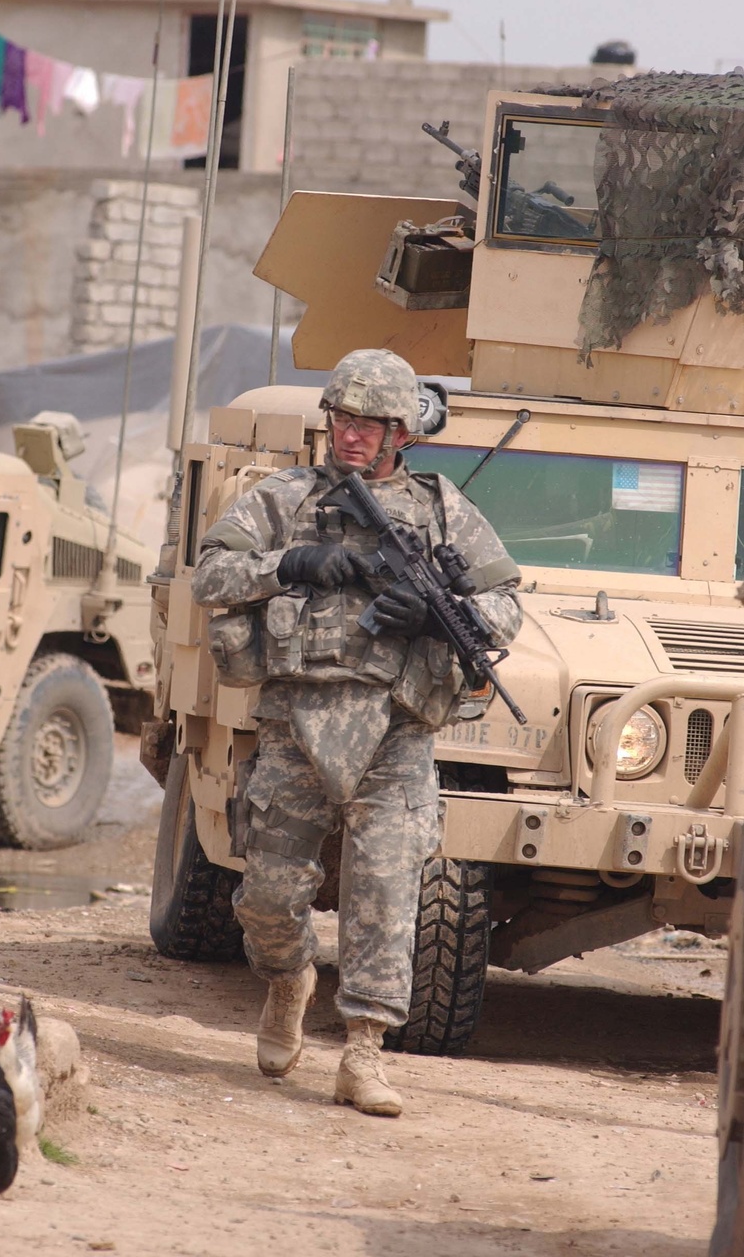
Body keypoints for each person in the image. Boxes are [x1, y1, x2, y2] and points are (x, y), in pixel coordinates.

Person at [190, 349, 522, 1117]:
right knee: (269, 895)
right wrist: (293, 562)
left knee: (386, 897)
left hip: (397, 733)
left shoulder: (440, 510)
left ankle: (364, 1052)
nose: (352, 434)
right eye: (343, 418)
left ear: (400, 431)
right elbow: (210, 575)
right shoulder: (285, 497)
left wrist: (442, 618)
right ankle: (288, 981)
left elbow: (505, 604)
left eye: (370, 424)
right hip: (296, 726)